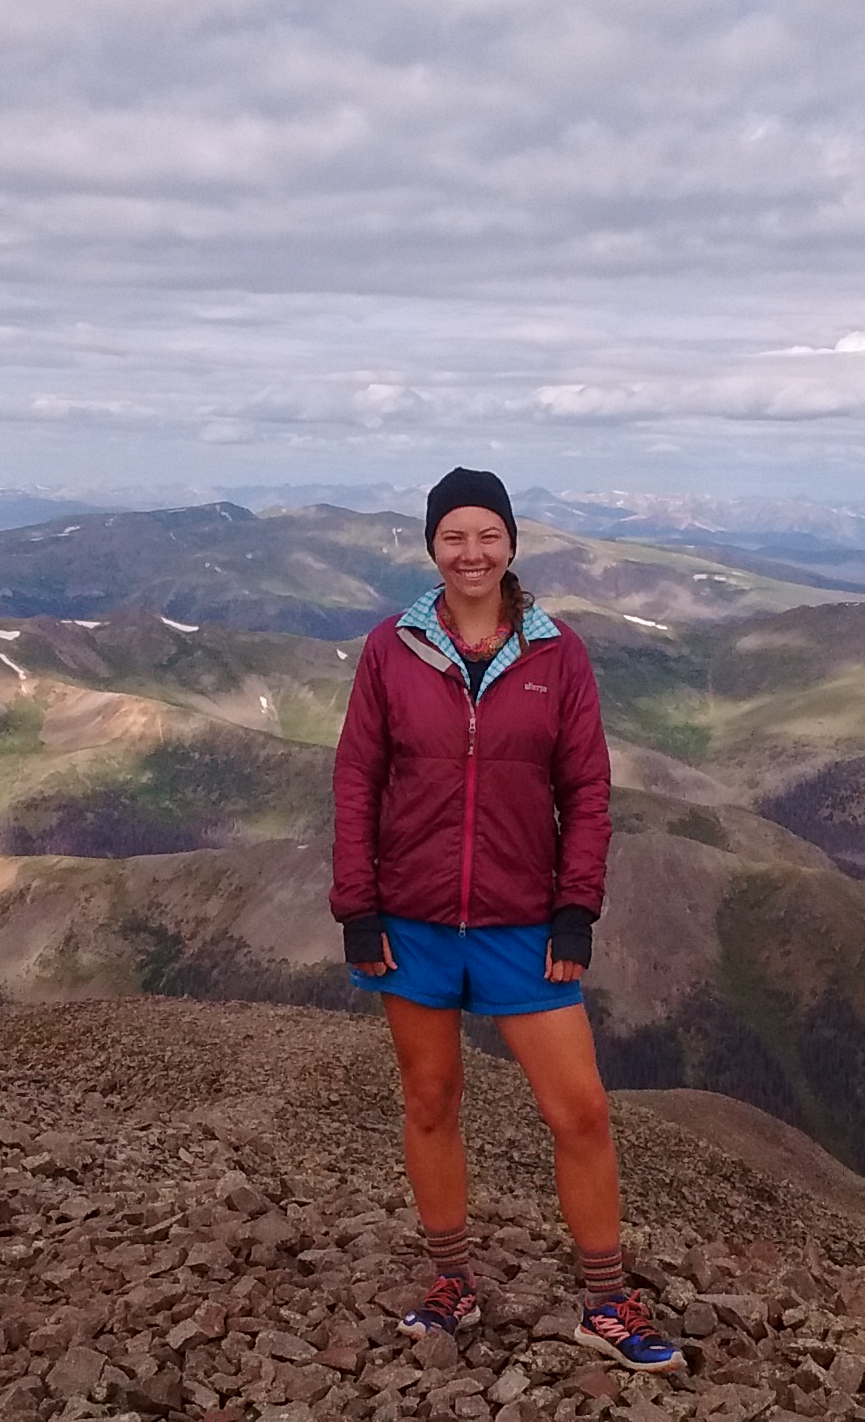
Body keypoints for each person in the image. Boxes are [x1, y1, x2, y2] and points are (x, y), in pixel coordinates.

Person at [330, 466, 682, 1374]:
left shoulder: (556, 653)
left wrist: (575, 911)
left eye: (488, 535)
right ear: (432, 547)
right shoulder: (390, 648)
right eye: (454, 536)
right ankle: (453, 1282)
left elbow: (588, 791)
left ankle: (605, 1303)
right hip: (410, 920)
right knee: (431, 1101)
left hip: (525, 923)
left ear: (512, 544)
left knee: (582, 1111)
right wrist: (356, 908)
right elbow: (357, 783)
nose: (472, 552)